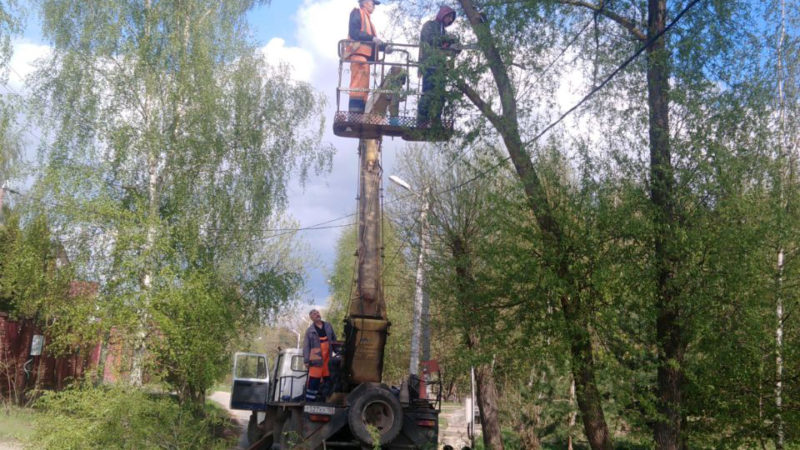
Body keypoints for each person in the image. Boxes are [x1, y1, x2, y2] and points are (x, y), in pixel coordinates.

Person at [417, 6, 458, 127]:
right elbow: (429, 40)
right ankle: (422, 120)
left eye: (452, 18)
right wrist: (446, 40)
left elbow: (444, 45)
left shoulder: (443, 31)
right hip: (429, 64)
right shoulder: (429, 25)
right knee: (428, 93)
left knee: (440, 94)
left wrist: (454, 45)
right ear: (443, 14)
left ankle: (436, 120)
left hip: (440, 67)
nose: (450, 20)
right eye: (449, 16)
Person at [345, 0, 383, 113]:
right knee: (357, 87)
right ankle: (354, 115)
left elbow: (372, 42)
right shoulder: (357, 13)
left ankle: (360, 114)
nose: (374, 7)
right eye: (373, 3)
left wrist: (385, 47)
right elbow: (354, 33)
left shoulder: (368, 21)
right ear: (365, 2)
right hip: (358, 56)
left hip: (365, 59)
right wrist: (372, 38)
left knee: (364, 89)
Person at [302, 309, 337, 402]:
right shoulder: (309, 331)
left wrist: (338, 352)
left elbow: (334, 340)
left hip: (327, 359)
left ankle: (326, 400)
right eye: (314, 314)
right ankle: (309, 402)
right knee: (313, 382)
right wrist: (306, 360)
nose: (317, 314)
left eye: (317, 313)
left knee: (328, 380)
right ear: (311, 318)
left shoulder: (328, 326)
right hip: (316, 360)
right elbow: (306, 346)